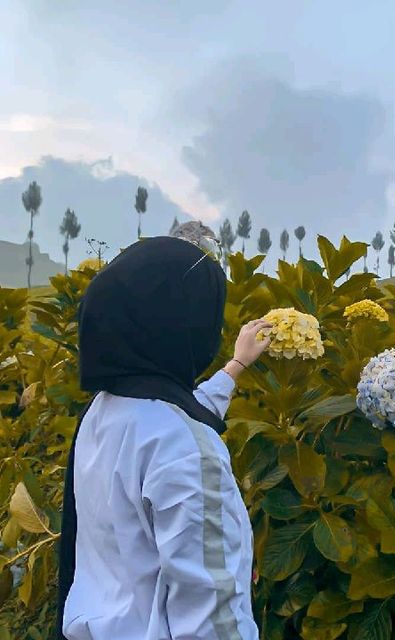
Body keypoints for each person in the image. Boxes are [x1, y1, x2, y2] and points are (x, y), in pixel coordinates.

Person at [57, 236, 270, 640]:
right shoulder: (187, 450)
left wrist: (236, 366)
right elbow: (213, 620)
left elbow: (176, 413)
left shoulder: (106, 410)